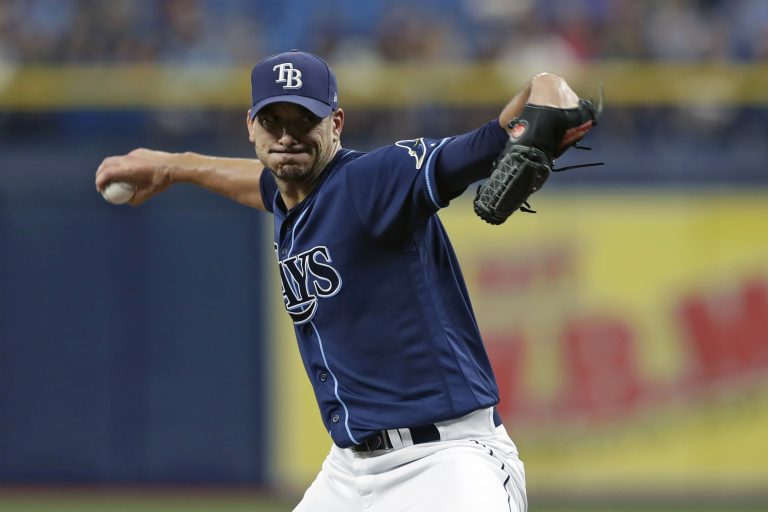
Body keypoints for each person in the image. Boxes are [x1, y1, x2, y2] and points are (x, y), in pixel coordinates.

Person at [96, 49, 590, 512]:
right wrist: (174, 166)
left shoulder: (372, 180)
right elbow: (261, 183)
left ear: (336, 123)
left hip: (447, 460)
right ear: (251, 127)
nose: (287, 136)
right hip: (350, 472)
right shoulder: (290, 190)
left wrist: (543, 86)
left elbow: (481, 145)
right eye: (273, 121)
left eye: (304, 121)